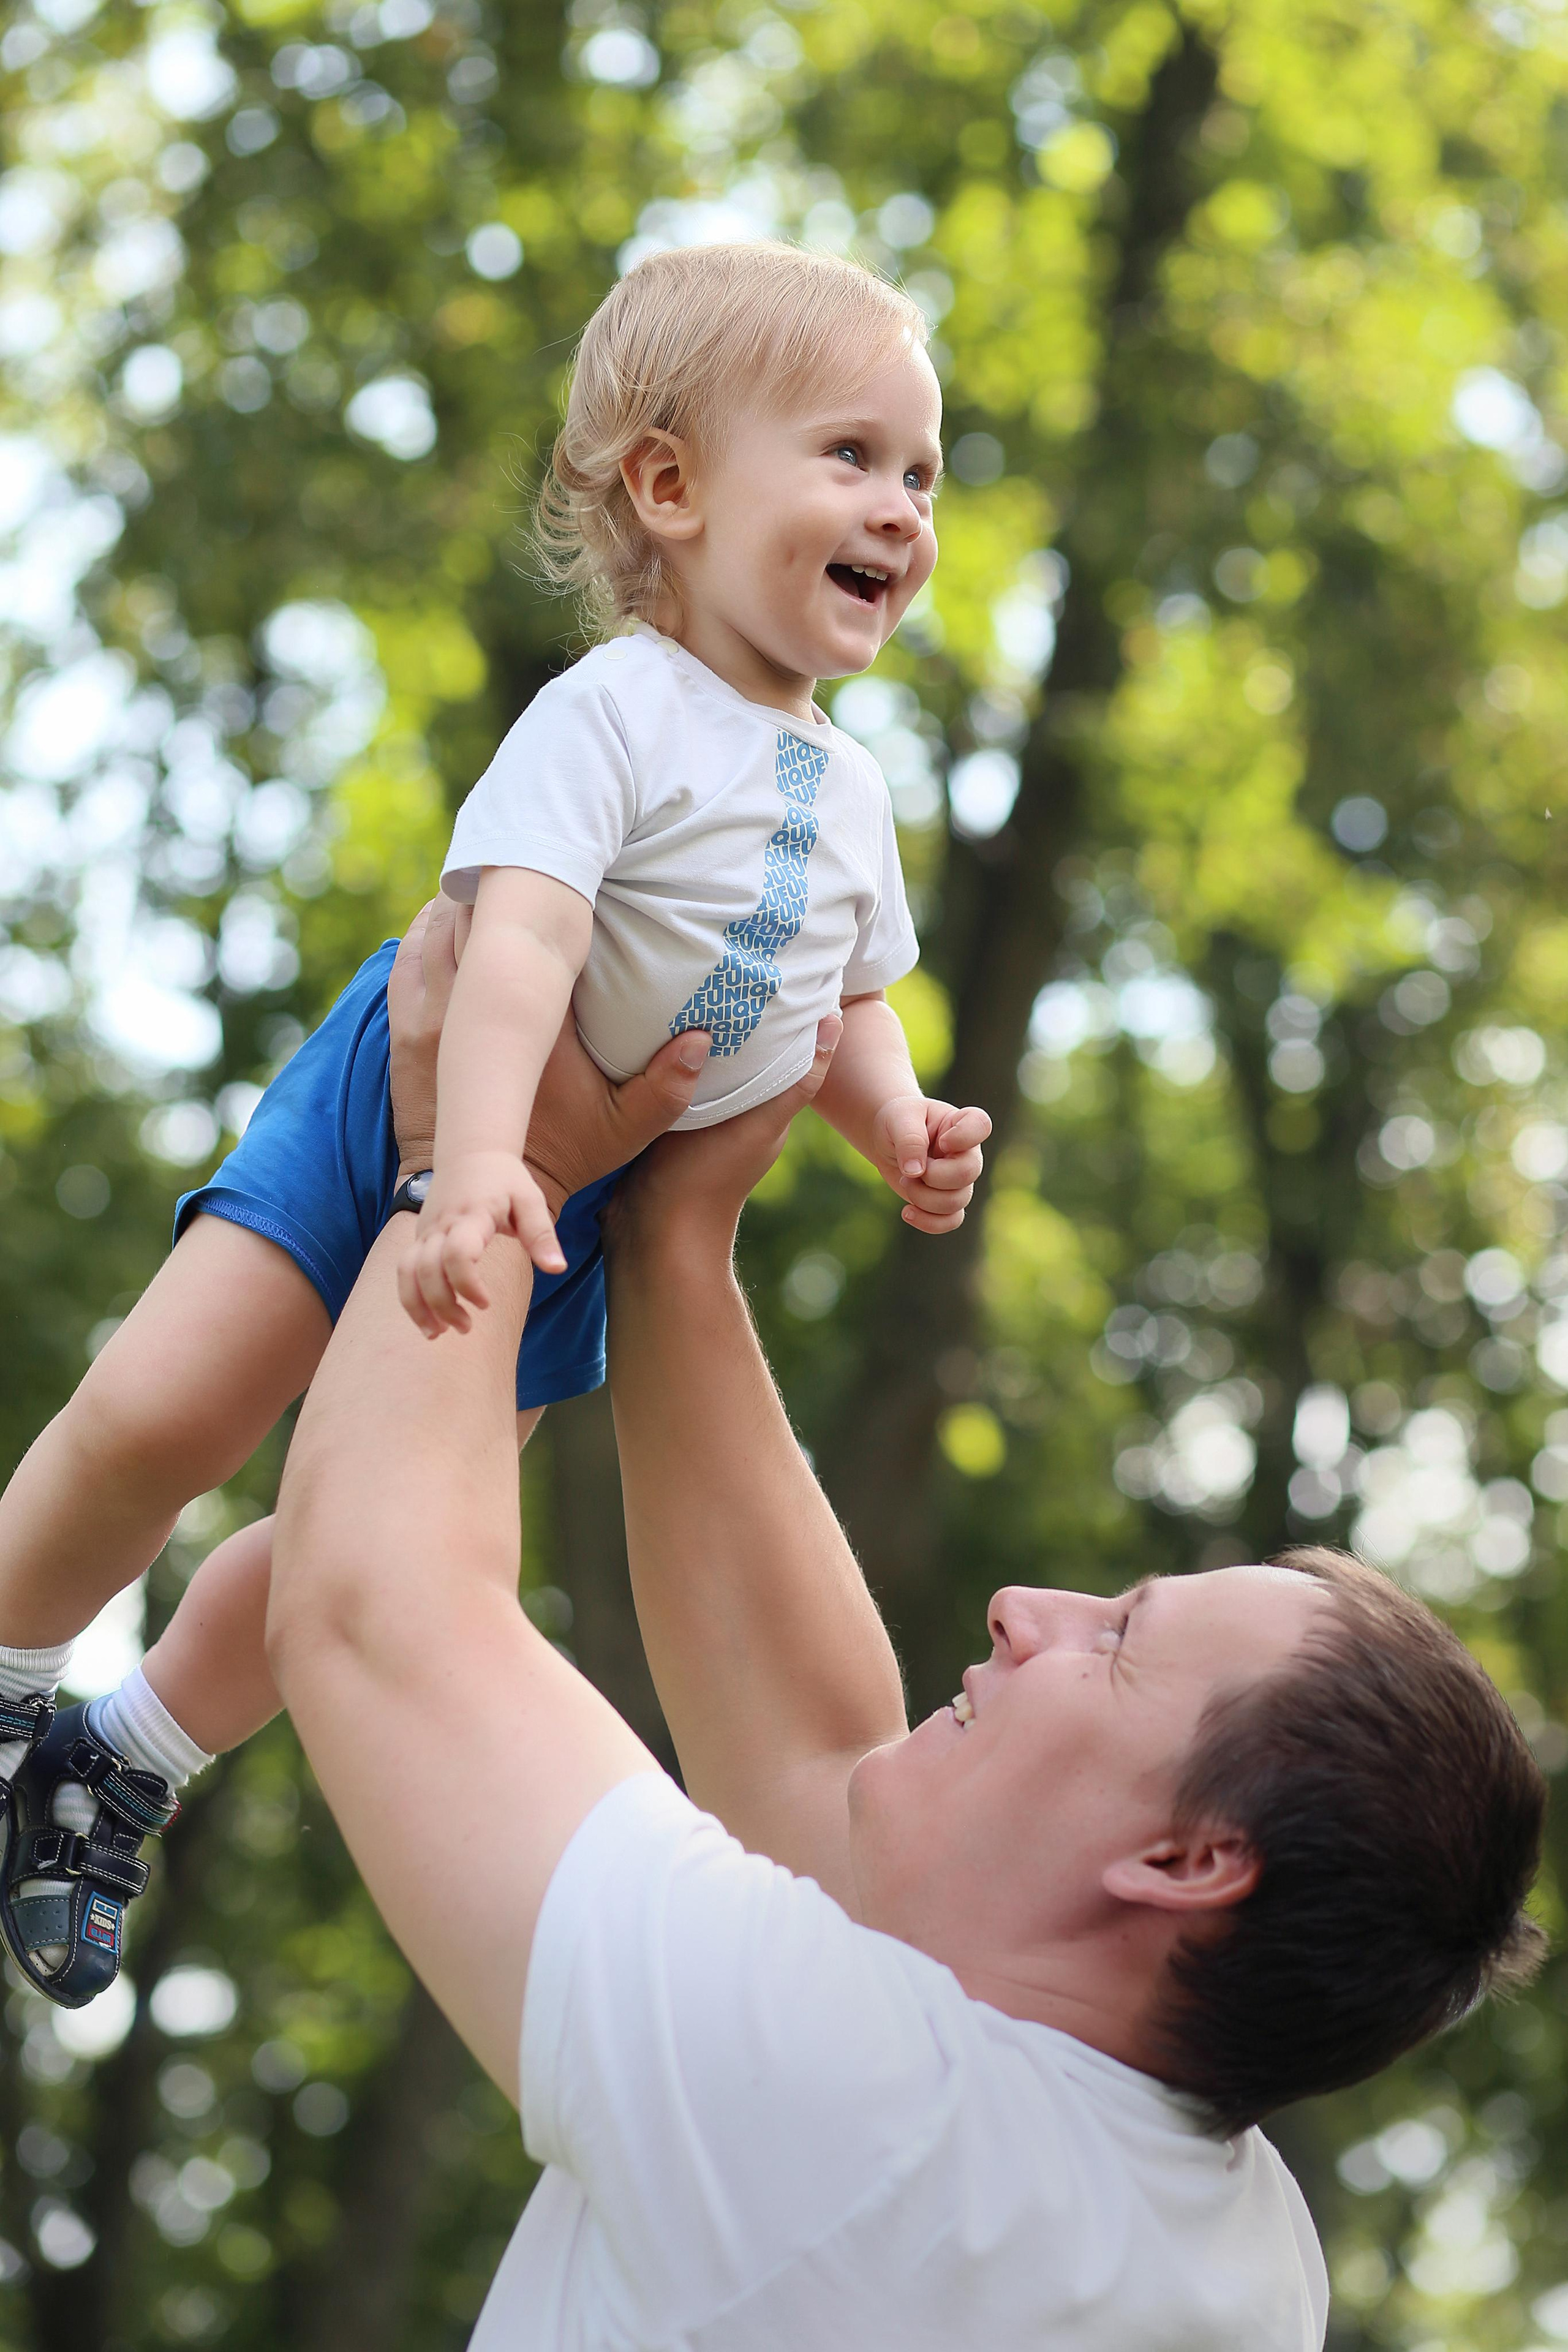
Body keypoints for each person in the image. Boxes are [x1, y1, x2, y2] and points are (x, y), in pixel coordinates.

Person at [141, 903, 1544, 2348]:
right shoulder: (1231, 2253)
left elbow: (378, 1608)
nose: (1024, 1614)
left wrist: (484, 1168)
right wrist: (674, 1234)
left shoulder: (866, 2133)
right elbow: (817, 1795)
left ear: (1186, 1861)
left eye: (1113, 1642)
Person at [0, 240, 989, 2000]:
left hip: (572, 1214)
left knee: (356, 1545)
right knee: (166, 1407)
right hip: (419, 1104)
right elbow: (520, 938)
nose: (902, 508)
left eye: (922, 472)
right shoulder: (612, 712)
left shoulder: (851, 790)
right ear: (670, 488)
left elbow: (847, 998)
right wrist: (467, 1166)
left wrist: (898, 1121)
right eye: (850, 456)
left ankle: (117, 1764)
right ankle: (8, 1682)